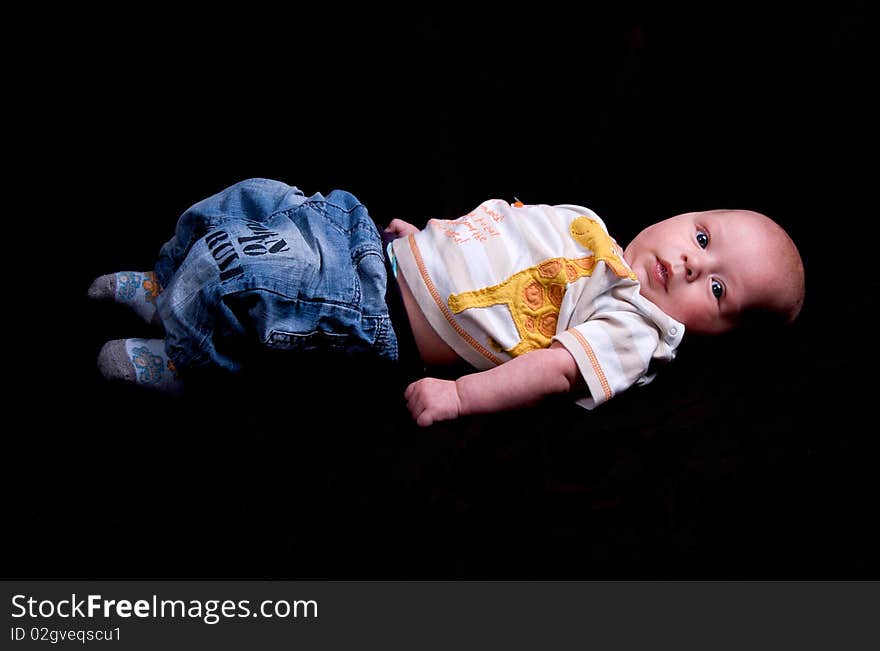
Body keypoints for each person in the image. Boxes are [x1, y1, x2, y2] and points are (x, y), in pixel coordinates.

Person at [89, 178, 805, 426]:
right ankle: (166, 285)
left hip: (381, 311)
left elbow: (554, 370)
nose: (688, 260)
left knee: (252, 274)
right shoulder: (592, 230)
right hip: (382, 247)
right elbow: (496, 241)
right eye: (703, 235)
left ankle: (189, 359)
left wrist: (462, 398)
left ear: (712, 334)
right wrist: (426, 237)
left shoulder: (634, 325)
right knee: (253, 200)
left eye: (716, 287)